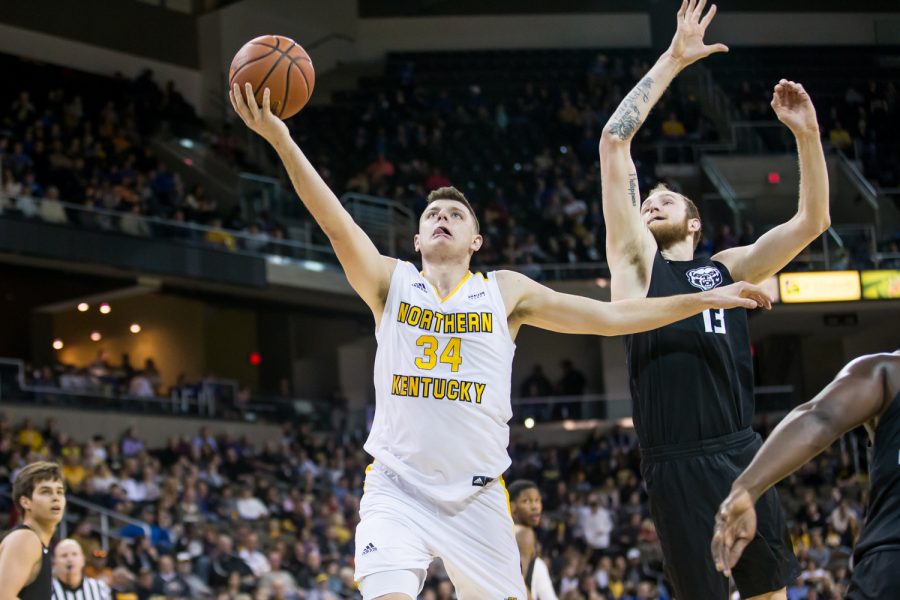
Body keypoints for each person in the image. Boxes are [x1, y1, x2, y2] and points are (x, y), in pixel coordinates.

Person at [231, 80, 771, 600]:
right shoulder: (388, 282)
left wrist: (700, 300)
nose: (443, 217)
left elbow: (610, 318)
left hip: (479, 498)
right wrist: (281, 137)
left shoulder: (504, 292)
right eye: (432, 214)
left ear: (476, 240)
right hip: (398, 489)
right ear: (417, 238)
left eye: (456, 214)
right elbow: (333, 219)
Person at [598, 1, 830, 598]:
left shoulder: (725, 269)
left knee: (769, 592)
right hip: (675, 460)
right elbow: (614, 143)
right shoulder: (635, 264)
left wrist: (808, 137)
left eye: (666, 200)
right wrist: (674, 59)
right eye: (646, 200)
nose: (651, 202)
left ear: (695, 223)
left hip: (743, 450)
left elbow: (811, 223)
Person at [713, 351, 900, 599]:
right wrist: (746, 489)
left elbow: (819, 416)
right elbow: (818, 417)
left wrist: (747, 488)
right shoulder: (888, 372)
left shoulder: (888, 372)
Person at [0, 461, 67, 600]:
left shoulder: (38, 542)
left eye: (59, 492)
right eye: (46, 492)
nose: (56, 497)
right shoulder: (25, 539)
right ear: (26, 502)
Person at [508, 480, 558, 600]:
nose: (535, 507)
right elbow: (519, 586)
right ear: (511, 506)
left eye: (537, 500)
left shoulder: (502, 532)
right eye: (526, 501)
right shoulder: (524, 533)